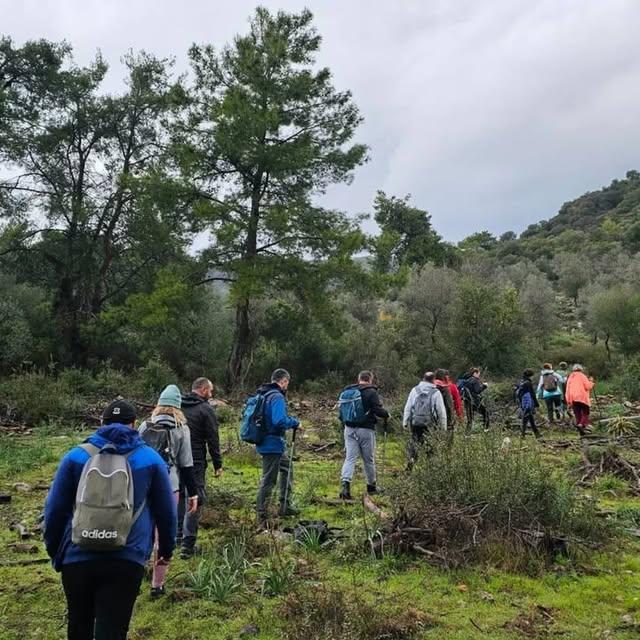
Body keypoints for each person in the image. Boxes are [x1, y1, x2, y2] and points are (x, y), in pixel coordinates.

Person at [44, 400, 177, 640]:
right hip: (127, 558)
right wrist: (166, 550)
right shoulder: (151, 459)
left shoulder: (75, 456)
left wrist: (57, 552)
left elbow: (54, 510)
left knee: (78, 626)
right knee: (113, 630)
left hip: (77, 556)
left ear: (101, 424)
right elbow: (166, 512)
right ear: (135, 424)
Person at [138, 385, 198, 596]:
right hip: (169, 487)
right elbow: (187, 464)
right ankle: (158, 585)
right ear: (178, 406)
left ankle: (135, 577)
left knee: (143, 531)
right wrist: (193, 493)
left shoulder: (145, 426)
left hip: (143, 487)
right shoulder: (182, 429)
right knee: (164, 535)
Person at [178, 377, 223, 559]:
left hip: (176, 459)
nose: (211, 395)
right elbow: (213, 438)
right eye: (210, 391)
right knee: (195, 498)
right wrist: (218, 463)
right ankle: (188, 545)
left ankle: (177, 536)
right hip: (195, 461)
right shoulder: (206, 409)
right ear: (203, 390)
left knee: (179, 494)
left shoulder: (178, 406)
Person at [255, 368, 300, 526]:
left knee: (287, 468)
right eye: (287, 382)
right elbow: (279, 421)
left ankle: (285, 505)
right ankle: (261, 514)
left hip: (269, 442)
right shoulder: (276, 396)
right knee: (269, 479)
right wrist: (294, 422)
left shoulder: (263, 394)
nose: (287, 385)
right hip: (272, 443)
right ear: (283, 381)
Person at [338, 370, 390, 500]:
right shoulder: (371, 392)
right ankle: (371, 487)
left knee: (350, 458)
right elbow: (377, 410)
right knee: (368, 459)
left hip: (349, 428)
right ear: (370, 379)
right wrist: (386, 414)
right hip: (366, 429)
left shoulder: (347, 391)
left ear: (359, 378)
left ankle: (345, 487)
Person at [402, 371, 447, 467]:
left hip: (416, 424)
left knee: (414, 445)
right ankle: (431, 469)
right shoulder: (436, 392)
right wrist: (443, 427)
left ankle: (409, 467)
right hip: (430, 425)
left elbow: (408, 407)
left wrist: (405, 422)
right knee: (431, 447)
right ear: (433, 380)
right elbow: (441, 411)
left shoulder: (414, 390)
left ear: (423, 379)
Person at [565, 364, 595, 435]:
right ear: (581, 369)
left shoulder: (570, 377)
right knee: (585, 412)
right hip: (582, 397)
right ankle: (581, 425)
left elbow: (567, 389)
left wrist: (568, 400)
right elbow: (588, 387)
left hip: (573, 398)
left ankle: (581, 430)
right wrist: (591, 381)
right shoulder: (582, 376)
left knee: (577, 413)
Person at [516, 369, 542, 439]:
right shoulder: (528, 383)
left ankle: (537, 434)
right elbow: (532, 394)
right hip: (528, 402)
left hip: (523, 402)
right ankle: (522, 435)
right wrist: (537, 404)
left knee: (531, 419)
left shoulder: (521, 381)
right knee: (525, 418)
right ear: (530, 376)